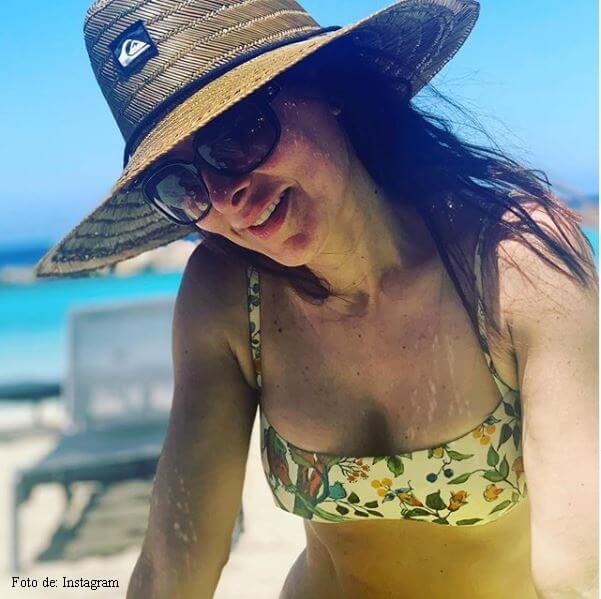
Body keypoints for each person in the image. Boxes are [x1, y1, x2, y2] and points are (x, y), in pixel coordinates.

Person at [36, 0, 598, 597]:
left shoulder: (515, 263)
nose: (225, 198)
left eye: (234, 134)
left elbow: (578, 567)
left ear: (327, 88)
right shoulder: (227, 297)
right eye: (179, 184)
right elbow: (176, 564)